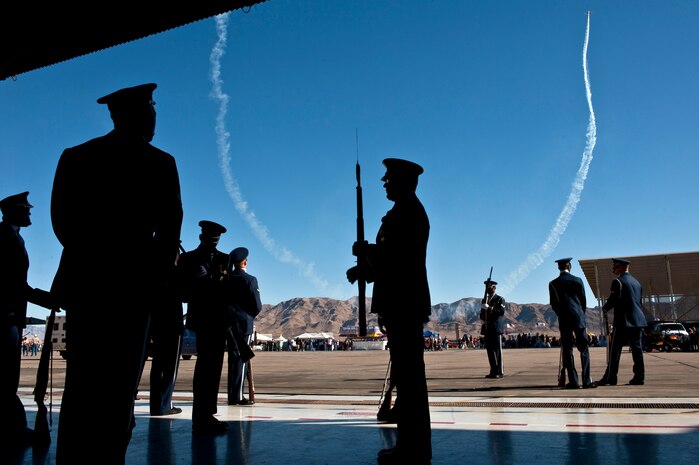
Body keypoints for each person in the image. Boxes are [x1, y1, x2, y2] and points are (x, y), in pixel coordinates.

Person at [50, 83, 183, 465]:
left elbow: (62, 224)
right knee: (119, 390)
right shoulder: (160, 162)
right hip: (133, 290)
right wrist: (149, 275)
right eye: (153, 109)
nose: (155, 116)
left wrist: (94, 257)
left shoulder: (76, 157)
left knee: (82, 386)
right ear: (142, 114)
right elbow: (170, 233)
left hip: (87, 287)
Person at [346, 157, 432, 465]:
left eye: (388, 178)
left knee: (410, 381)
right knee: (407, 378)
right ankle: (410, 445)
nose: (384, 182)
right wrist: (365, 269)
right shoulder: (400, 212)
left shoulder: (409, 212)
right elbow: (391, 261)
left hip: (405, 302)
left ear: (403, 181)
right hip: (400, 301)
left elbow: (399, 260)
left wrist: (367, 252)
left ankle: (414, 448)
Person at [0, 191, 54, 449]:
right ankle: (14, 429)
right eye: (26, 209)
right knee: (7, 378)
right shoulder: (6, 238)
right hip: (5, 318)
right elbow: (15, 285)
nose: (30, 213)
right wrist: (47, 299)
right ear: (14, 211)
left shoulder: (13, 237)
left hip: (11, 317)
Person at [178, 220, 230, 435]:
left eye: (215, 238)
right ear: (201, 237)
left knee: (214, 367)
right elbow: (181, 293)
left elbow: (229, 292)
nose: (212, 241)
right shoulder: (188, 259)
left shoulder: (224, 260)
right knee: (204, 369)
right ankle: (200, 417)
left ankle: (207, 414)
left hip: (219, 319)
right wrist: (198, 282)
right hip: (201, 319)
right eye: (210, 237)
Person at [147, 242, 186, 416]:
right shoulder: (176, 272)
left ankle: (156, 404)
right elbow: (185, 295)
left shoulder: (154, 271)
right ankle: (164, 405)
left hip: (156, 323)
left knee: (157, 365)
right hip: (172, 323)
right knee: (170, 367)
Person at [597, 258, 648, 386]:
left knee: (615, 351)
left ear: (621, 267)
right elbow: (638, 302)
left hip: (623, 321)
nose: (613, 269)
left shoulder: (618, 281)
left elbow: (614, 299)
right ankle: (639, 377)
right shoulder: (636, 283)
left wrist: (604, 308)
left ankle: (610, 377)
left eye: (614, 266)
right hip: (637, 321)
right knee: (637, 350)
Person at [548, 257, 597, 389]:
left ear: (559, 268)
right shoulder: (578, 280)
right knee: (584, 349)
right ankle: (586, 380)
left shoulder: (553, 284)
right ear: (570, 266)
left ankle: (573, 381)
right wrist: (581, 314)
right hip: (578, 318)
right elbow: (583, 301)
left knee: (568, 350)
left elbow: (554, 304)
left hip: (564, 320)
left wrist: (561, 314)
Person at [225, 246, 262, 406]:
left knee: (233, 358)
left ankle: (232, 394)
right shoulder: (250, 280)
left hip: (228, 323)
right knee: (241, 358)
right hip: (243, 323)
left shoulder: (226, 280)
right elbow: (257, 305)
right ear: (245, 262)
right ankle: (237, 396)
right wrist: (248, 317)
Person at [481, 279, 506, 378]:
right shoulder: (484, 300)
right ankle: (493, 370)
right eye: (487, 287)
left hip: (496, 328)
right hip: (487, 328)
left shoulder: (500, 299)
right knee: (490, 351)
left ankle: (499, 371)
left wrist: (489, 308)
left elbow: (501, 312)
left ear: (494, 288)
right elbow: (482, 314)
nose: (487, 289)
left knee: (497, 351)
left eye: (489, 287)